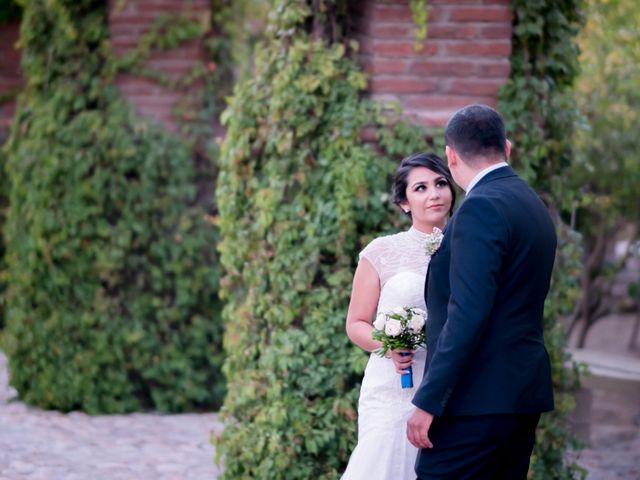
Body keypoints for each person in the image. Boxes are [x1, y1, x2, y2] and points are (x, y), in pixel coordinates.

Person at [406, 104, 557, 479]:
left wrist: (429, 400)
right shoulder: (532, 204)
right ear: (506, 147)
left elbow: (469, 311)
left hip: (475, 403)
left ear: (451, 156)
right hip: (520, 397)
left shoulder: (480, 208)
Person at [342, 153, 456, 479]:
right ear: (404, 203)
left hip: (447, 383)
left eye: (440, 183)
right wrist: (388, 343)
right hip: (393, 384)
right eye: (420, 188)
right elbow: (356, 323)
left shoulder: (467, 249)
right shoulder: (382, 251)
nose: (433, 194)